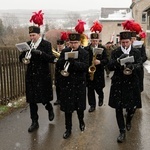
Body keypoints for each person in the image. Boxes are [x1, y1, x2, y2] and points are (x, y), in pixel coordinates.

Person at [19, 25, 55, 132]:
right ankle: (34, 122)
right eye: (30, 35)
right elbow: (20, 58)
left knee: (44, 99)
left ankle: (49, 108)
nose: (31, 37)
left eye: (33, 35)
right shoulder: (27, 44)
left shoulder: (46, 44)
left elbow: (51, 58)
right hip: (31, 76)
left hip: (43, 76)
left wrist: (40, 53)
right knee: (32, 100)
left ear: (38, 34)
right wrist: (23, 56)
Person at [107, 31, 142, 143]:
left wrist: (133, 66)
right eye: (123, 42)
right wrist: (118, 61)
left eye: (127, 42)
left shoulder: (135, 51)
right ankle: (122, 131)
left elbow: (140, 64)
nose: (125, 44)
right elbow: (110, 67)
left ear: (130, 41)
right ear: (120, 41)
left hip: (132, 82)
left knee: (132, 107)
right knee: (118, 108)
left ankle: (128, 120)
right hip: (119, 83)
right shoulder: (116, 52)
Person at [56, 32, 89, 139]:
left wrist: (74, 63)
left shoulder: (84, 53)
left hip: (79, 84)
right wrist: (64, 60)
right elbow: (58, 65)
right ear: (68, 42)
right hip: (67, 83)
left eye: (75, 43)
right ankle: (68, 129)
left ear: (79, 42)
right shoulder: (65, 51)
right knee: (68, 109)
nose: (73, 45)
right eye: (71, 42)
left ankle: (81, 121)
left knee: (79, 107)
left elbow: (85, 67)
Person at [84, 33, 108, 112]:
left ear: (98, 40)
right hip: (89, 72)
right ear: (90, 40)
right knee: (90, 90)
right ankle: (92, 105)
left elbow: (107, 60)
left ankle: (101, 96)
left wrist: (100, 62)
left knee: (99, 89)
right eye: (93, 41)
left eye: (96, 41)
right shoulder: (86, 49)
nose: (94, 42)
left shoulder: (103, 49)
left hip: (99, 73)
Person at [53, 39, 65, 105]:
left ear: (63, 45)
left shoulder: (66, 51)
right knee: (57, 85)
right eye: (58, 45)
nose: (59, 46)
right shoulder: (55, 51)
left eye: (61, 45)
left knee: (64, 85)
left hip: (64, 69)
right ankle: (58, 99)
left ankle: (64, 98)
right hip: (57, 70)